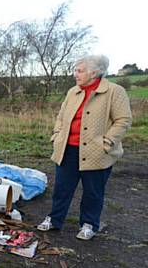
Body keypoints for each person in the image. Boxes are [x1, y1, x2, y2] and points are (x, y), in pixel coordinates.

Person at [37, 54, 132, 240]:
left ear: (94, 73)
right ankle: (55, 219)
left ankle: (89, 224)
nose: (75, 74)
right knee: (62, 188)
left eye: (79, 71)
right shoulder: (73, 91)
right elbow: (61, 116)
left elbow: (123, 120)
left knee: (93, 191)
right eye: (76, 70)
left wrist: (107, 142)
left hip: (97, 152)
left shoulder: (114, 91)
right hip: (68, 149)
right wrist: (57, 135)